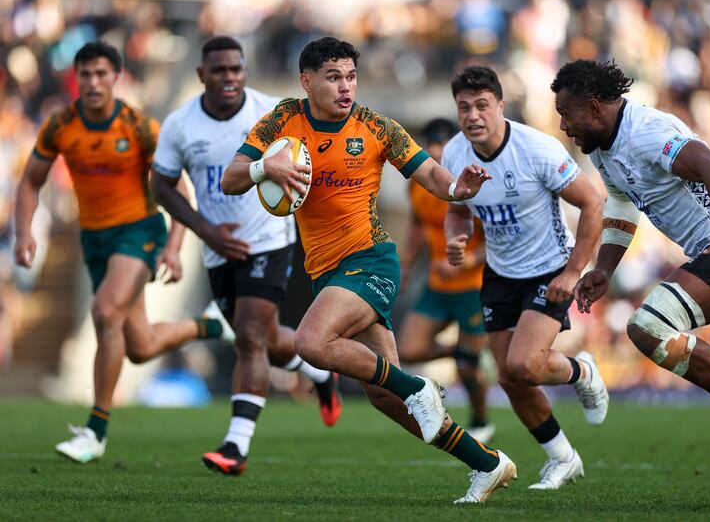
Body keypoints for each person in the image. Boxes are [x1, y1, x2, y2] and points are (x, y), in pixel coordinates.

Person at [221, 37, 515, 504]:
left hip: (370, 260)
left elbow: (429, 173)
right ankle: (488, 463)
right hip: (325, 272)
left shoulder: (376, 127)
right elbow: (230, 179)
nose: (346, 87)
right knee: (385, 397)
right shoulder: (283, 119)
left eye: (351, 77)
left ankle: (418, 386)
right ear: (307, 81)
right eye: (334, 77)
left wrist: (459, 189)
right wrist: (265, 166)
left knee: (310, 342)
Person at [551, 59, 710, 475]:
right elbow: (624, 204)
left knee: (647, 327)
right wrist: (605, 267)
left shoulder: (644, 132)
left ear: (593, 107)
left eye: (566, 115)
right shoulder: (606, 150)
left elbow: (708, 162)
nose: (563, 126)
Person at [13, 41, 226, 463]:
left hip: (138, 233)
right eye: (86, 75)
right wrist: (24, 233)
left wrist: (173, 246)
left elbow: (178, 189)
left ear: (116, 78)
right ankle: (214, 327)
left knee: (105, 312)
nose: (93, 82)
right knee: (140, 345)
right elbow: (29, 182)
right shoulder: (61, 126)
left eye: (101, 74)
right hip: (95, 242)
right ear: (77, 79)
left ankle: (96, 429)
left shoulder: (139, 128)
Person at [151, 36, 342, 476]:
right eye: (219, 70)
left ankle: (235, 446)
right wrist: (204, 231)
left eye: (237, 69)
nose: (230, 77)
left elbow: (321, 142)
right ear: (202, 75)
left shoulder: (272, 113)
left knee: (251, 337)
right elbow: (160, 184)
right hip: (218, 249)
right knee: (262, 336)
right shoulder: (181, 125)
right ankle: (317, 375)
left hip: (269, 241)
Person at [442, 66, 608, 490]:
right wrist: (456, 238)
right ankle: (562, 457)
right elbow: (458, 207)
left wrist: (574, 272)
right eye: (464, 107)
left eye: (482, 105)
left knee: (524, 364)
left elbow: (592, 203)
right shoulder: (454, 154)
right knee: (508, 377)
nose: (473, 115)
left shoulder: (536, 149)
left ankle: (581, 372)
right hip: (499, 273)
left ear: (500, 105)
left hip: (550, 267)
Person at [398, 118, 494, 444]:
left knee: (468, 371)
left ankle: (481, 417)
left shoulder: (474, 183)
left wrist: (469, 259)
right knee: (409, 349)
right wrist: (406, 261)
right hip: (438, 285)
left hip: (473, 285)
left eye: (441, 145)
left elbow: (497, 236)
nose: (435, 151)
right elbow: (416, 223)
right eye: (431, 145)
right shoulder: (418, 184)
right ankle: (463, 350)